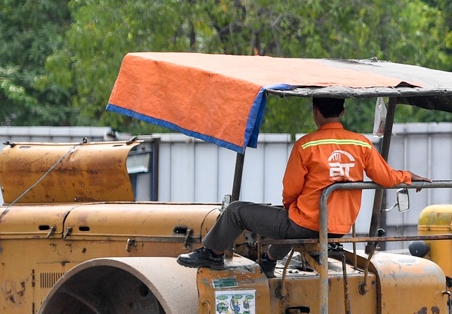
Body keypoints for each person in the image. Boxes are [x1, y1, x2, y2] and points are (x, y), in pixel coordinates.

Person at [178, 96, 424, 269]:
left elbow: (291, 191)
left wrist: (290, 207)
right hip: (339, 227)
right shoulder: (361, 144)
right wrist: (409, 176)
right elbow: (387, 178)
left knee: (237, 211)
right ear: (342, 112)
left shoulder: (306, 145)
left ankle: (212, 253)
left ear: (315, 111)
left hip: (305, 224)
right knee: (291, 218)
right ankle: (270, 259)